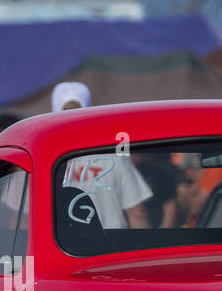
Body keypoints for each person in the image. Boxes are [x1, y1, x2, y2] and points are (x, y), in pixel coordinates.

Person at [52, 82, 152, 229]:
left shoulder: (43, 159)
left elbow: (24, 218)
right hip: (110, 248)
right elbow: (137, 215)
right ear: (89, 112)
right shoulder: (115, 155)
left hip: (60, 249)